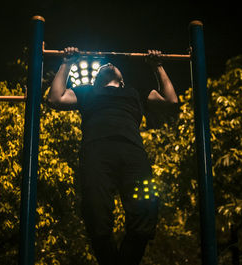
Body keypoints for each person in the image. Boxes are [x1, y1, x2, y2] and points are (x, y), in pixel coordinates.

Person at [47, 47, 178, 265]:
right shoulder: (86, 91)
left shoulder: (135, 93)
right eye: (102, 67)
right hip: (97, 156)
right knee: (96, 216)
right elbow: (55, 99)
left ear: (123, 80)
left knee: (146, 212)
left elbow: (171, 101)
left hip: (133, 157)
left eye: (112, 65)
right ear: (96, 79)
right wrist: (67, 62)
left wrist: (158, 66)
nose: (107, 64)